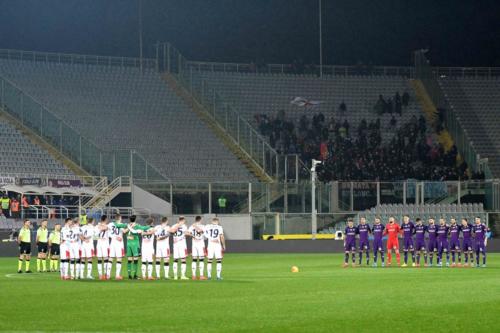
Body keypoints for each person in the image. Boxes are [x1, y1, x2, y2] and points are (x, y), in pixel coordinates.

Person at [126, 215, 150, 279]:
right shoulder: (137, 226)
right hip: (135, 244)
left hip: (128, 244)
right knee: (135, 260)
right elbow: (144, 228)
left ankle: (129, 275)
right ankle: (135, 275)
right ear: (135, 219)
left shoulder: (127, 225)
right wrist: (150, 226)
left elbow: (122, 229)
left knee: (129, 260)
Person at [188, 216, 207, 280]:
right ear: (200, 220)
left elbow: (187, 233)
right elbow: (200, 231)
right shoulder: (203, 226)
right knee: (201, 259)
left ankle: (194, 276)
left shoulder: (191, 226)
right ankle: (201, 276)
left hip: (194, 245)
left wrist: (193, 236)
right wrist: (194, 235)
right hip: (201, 244)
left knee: (194, 260)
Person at [95, 215, 110, 280]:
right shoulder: (108, 226)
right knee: (106, 259)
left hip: (99, 244)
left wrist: (99, 229)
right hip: (105, 244)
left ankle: (100, 275)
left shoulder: (96, 226)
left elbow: (94, 237)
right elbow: (110, 235)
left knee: (99, 259)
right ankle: (106, 275)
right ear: (106, 219)